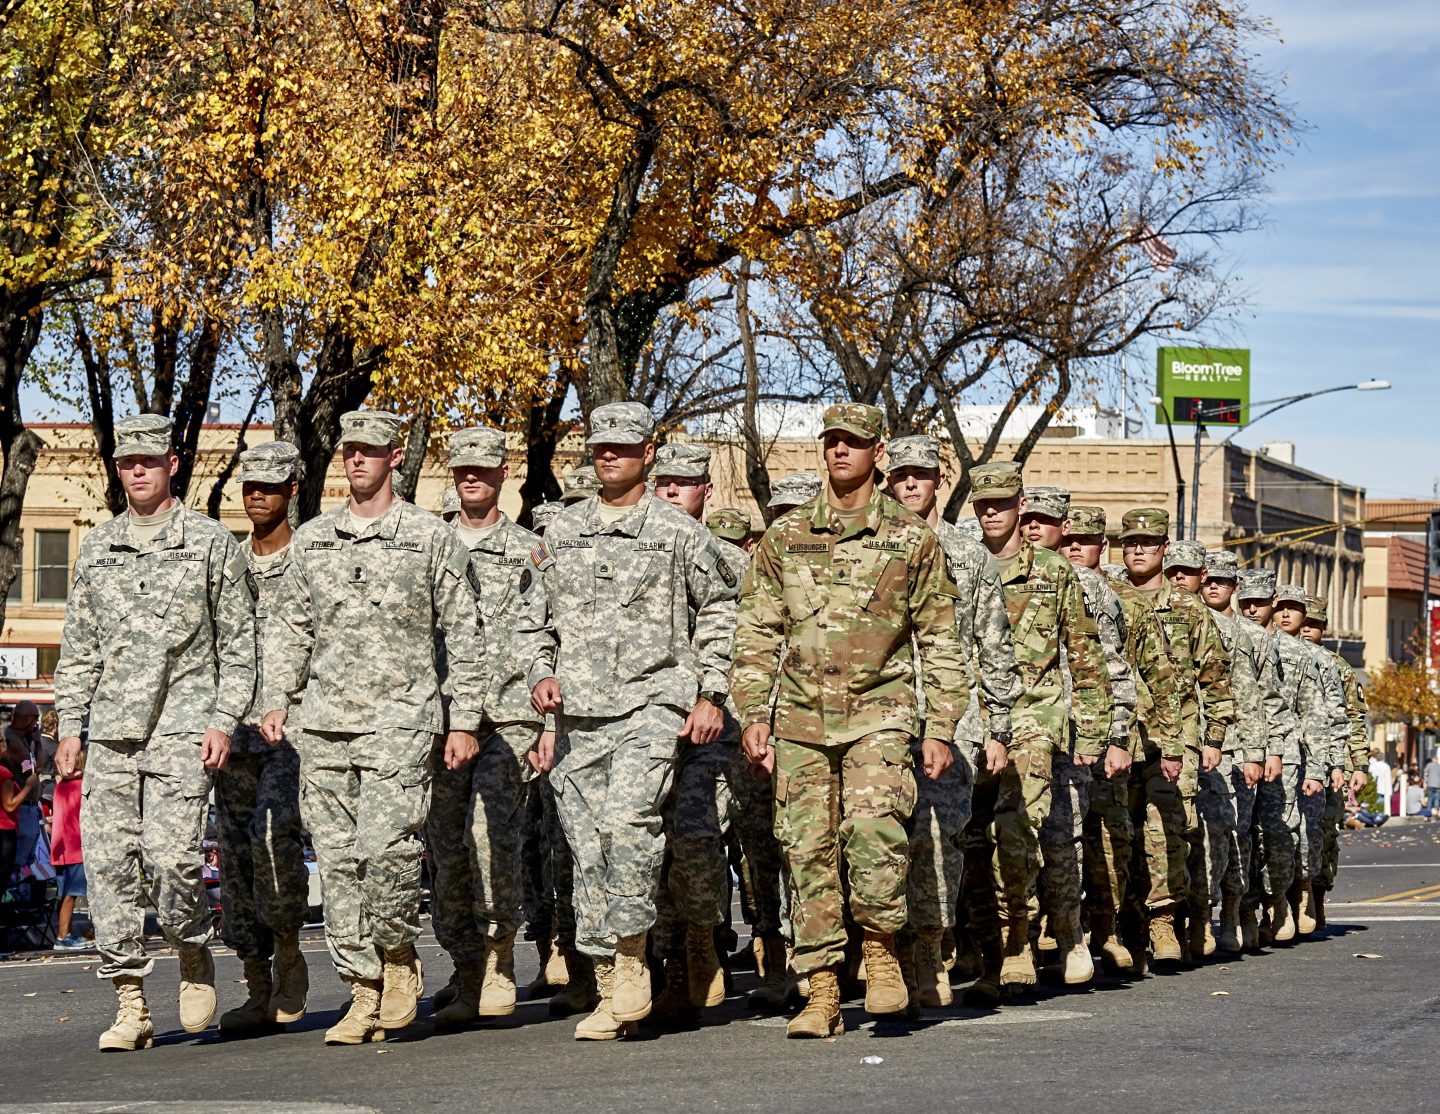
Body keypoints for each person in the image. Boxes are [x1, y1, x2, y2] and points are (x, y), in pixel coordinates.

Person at [731, 404, 969, 1038]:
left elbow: (940, 637)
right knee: (806, 851)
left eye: (853, 442)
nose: (840, 451)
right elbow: (756, 630)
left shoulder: (910, 538)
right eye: (831, 441)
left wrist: (940, 725)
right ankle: (822, 992)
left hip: (880, 713)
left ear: (877, 451)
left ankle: (882, 955)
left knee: (874, 835)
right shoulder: (786, 536)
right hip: (801, 718)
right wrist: (753, 712)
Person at [260, 409, 487, 1045]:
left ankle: (396, 956)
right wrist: (277, 697)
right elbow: (290, 627)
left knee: (386, 852)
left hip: (401, 721)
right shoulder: (313, 539)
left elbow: (463, 634)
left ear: (394, 456)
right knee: (336, 863)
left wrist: (464, 719)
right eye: (348, 450)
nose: (356, 460)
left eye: (369, 450)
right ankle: (361, 988)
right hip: (325, 725)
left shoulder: (428, 537)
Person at [515, 402, 737, 1041]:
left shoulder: (677, 532)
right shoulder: (561, 534)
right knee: (586, 846)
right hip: (581, 714)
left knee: (628, 825)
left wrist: (710, 693)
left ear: (648, 452)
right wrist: (540, 674)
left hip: (654, 703)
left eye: (622, 447)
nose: (608, 455)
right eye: (600, 446)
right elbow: (534, 623)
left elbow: (718, 611)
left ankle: (636, 953)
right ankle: (611, 976)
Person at [53, 412, 257, 1051]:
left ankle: (193, 954)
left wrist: (224, 720)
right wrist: (71, 725)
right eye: (125, 463)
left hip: (181, 729)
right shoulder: (100, 546)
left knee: (173, 861)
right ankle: (131, 1004)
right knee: (109, 870)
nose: (136, 471)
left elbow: (239, 642)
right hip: (112, 732)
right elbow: (80, 644)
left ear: (171, 464)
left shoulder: (208, 542)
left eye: (148, 461)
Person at [962, 463, 1111, 1002]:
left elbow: (1084, 652)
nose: (992, 512)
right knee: (970, 840)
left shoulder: (1053, 572)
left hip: (1034, 714)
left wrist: (1094, 729)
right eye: (983, 504)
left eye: (1002, 503)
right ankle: (986, 950)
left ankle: (1019, 941)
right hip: (969, 717)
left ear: (1020, 504)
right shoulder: (958, 562)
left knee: (1018, 833)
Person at [647, 442, 784, 1026]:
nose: (672, 492)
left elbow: (759, 640)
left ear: (706, 490)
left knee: (706, 840)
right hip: (646, 720)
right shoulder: (635, 551)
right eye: (664, 483)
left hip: (717, 728)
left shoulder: (730, 559)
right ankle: (664, 959)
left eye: (684, 483)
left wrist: (753, 717)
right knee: (649, 848)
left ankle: (703, 946)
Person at [885, 435, 1021, 1010]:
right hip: (881, 716)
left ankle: (931, 955)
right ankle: (885, 957)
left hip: (952, 719)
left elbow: (995, 646)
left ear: (939, 480)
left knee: (939, 843)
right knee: (883, 841)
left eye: (920, 474)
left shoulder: (969, 556)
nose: (910, 484)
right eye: (900, 476)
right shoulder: (873, 545)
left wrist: (999, 727)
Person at [426, 427, 544, 1026]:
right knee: (444, 847)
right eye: (462, 469)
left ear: (504, 473)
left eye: (483, 468)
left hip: (509, 717)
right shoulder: (429, 544)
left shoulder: (530, 549)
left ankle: (498, 957)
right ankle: (464, 964)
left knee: (491, 839)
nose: (471, 477)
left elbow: (551, 630)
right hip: (441, 716)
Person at [215, 442, 311, 1033]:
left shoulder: (313, 557)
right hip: (232, 732)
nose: (257, 496)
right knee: (234, 857)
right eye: (250, 486)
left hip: (292, 734)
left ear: (291, 492)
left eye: (270, 487)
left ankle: (289, 946)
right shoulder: (224, 560)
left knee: (272, 841)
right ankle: (255, 980)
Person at [1020, 486, 1132, 986]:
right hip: (1007, 725)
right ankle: (1013, 942)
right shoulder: (984, 567)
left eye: (1044, 521)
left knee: (1063, 839)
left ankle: (1070, 934)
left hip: (1064, 732)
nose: (1032, 528)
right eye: (1028, 519)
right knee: (1006, 838)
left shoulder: (1085, 588)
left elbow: (1106, 667)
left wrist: (1108, 735)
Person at [1066, 508, 1184, 973]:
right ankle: (1059, 932)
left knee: (1118, 837)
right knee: (1066, 839)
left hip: (1123, 738)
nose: (1074, 547)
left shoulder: (1123, 602)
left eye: (1085, 539)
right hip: (1061, 732)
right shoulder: (1044, 589)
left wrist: (1172, 743)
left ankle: (1122, 928)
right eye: (1068, 539)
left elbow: (1160, 676)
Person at [1119, 509, 1233, 964]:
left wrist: (1214, 737)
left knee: (1166, 826)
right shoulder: (1106, 596)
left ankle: (1165, 920)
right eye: (1131, 542)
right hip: (1119, 731)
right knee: (1116, 830)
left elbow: (1215, 677)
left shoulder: (1189, 609)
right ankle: (1122, 922)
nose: (1139, 549)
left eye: (1148, 542)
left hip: (1176, 733)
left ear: (1165, 549)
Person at [49, 741, 89, 951]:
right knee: (71, 893)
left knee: (64, 891)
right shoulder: (80, 787)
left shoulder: (61, 786)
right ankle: (63, 936)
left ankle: (62, 933)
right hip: (76, 846)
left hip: (61, 846)